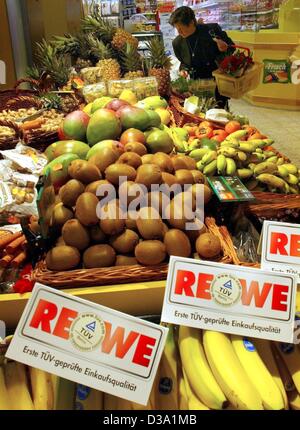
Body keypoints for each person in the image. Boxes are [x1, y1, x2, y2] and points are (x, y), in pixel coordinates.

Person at [169, 6, 234, 109]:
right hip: (197, 85)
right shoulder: (177, 43)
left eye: (181, 29)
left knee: (220, 113)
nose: (179, 33)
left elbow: (232, 48)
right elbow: (184, 62)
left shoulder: (212, 30)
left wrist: (225, 48)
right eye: (177, 29)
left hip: (218, 82)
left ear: (191, 23)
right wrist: (184, 70)